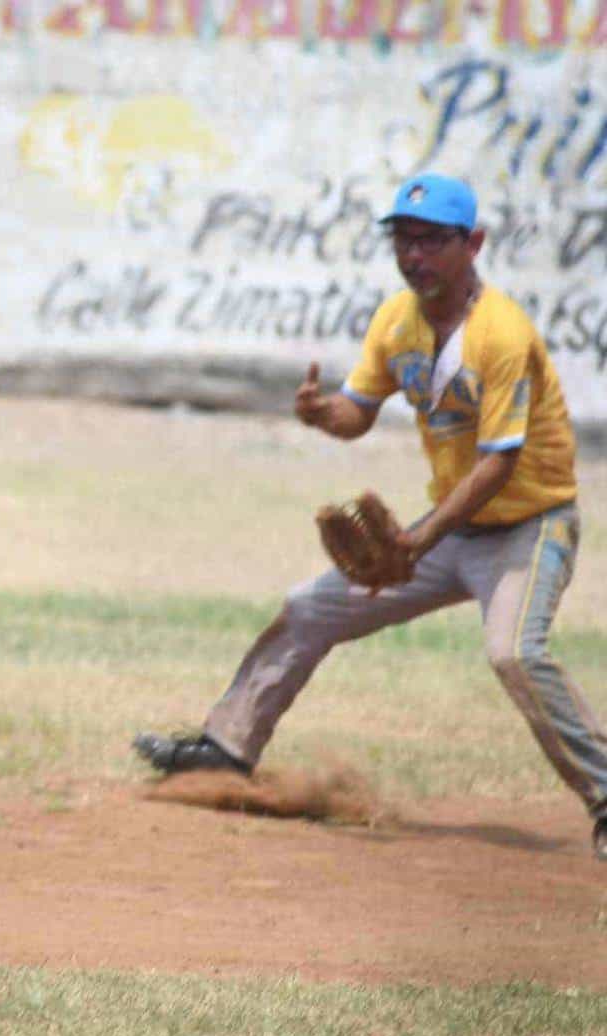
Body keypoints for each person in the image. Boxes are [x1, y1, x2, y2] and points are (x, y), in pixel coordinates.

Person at [133, 173, 607, 862]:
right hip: (447, 530)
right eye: (402, 240)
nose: (413, 255)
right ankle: (225, 749)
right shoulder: (398, 321)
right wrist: (327, 415)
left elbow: (497, 464)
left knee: (515, 653)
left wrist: (417, 540)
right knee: (308, 607)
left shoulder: (502, 335)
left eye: (430, 241)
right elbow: (360, 410)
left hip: (530, 528)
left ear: (472, 243)